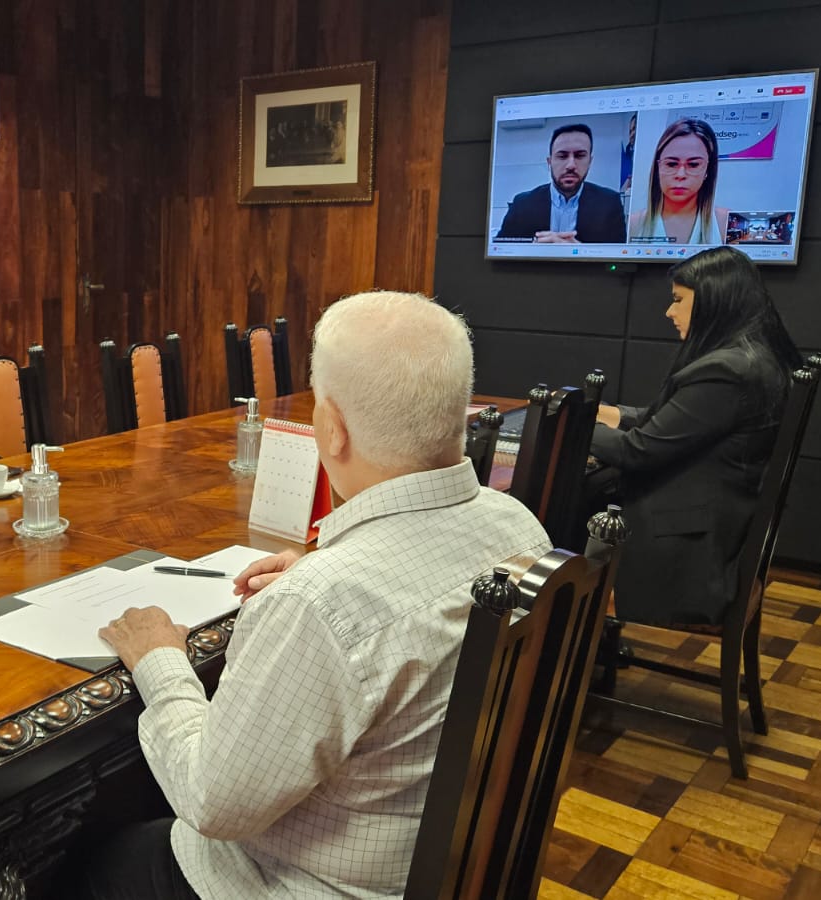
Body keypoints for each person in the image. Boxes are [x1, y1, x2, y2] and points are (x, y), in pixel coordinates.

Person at [81, 291, 552, 900]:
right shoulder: (519, 525)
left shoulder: (318, 605)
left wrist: (158, 658)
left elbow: (211, 802)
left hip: (300, 885)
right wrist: (323, 570)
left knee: (87, 860)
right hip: (450, 868)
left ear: (329, 427)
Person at [592, 246, 801, 623]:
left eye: (678, 300)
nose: (668, 312)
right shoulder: (756, 357)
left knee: (565, 516)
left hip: (684, 546)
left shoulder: (727, 372)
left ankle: (572, 634)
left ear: (713, 300)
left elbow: (638, 452)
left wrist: (576, 423)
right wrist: (610, 414)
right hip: (716, 524)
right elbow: (675, 423)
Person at [496, 123, 627, 243]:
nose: (571, 165)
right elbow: (501, 249)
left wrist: (580, 252)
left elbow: (619, 255)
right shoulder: (522, 204)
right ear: (550, 162)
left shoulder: (610, 203)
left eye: (580, 155)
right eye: (562, 156)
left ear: (590, 161)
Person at [628, 117, 730, 244]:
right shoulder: (634, 223)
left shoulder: (726, 222)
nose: (680, 175)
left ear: (707, 170)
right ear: (658, 167)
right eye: (671, 164)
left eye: (693, 165)